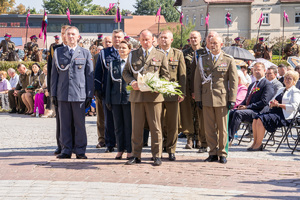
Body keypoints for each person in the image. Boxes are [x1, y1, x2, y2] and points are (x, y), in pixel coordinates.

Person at [122, 29, 169, 166]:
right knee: (136, 128)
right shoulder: (133, 55)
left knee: (155, 127)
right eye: (142, 40)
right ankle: (136, 155)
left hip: (154, 97)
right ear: (139, 40)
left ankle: (157, 155)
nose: (145, 42)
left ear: (153, 39)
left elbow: (166, 75)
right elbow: (126, 73)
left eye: (147, 39)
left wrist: (158, 86)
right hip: (137, 97)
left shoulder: (160, 54)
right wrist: (132, 82)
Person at [194, 35, 238, 164]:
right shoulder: (203, 59)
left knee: (222, 128)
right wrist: (198, 98)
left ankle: (222, 153)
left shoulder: (228, 59)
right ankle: (212, 152)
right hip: (207, 97)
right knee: (209, 128)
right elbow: (197, 80)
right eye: (210, 43)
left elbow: (234, 81)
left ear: (221, 44)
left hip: (222, 98)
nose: (213, 45)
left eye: (215, 43)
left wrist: (232, 98)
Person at [51, 26, 94, 159]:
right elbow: (54, 75)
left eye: (73, 34)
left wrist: (89, 94)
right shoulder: (58, 53)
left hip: (79, 94)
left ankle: (80, 150)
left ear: (78, 36)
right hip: (63, 94)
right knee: (64, 124)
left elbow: (89, 76)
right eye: (68, 34)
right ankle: (66, 149)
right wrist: (53, 94)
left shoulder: (85, 53)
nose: (70, 37)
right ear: (65, 36)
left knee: (79, 124)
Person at [249, 71, 300, 151]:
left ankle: (259, 144)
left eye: (289, 79)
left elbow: (294, 107)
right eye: (286, 78)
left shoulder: (295, 91)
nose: (287, 80)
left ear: (294, 81)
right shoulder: (281, 89)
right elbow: (271, 101)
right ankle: (255, 142)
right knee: (256, 118)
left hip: (285, 115)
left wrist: (279, 105)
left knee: (261, 119)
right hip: (274, 111)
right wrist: (272, 103)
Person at [95, 29, 125, 153]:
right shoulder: (104, 53)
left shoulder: (129, 53)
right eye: (115, 37)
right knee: (109, 120)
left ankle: (122, 143)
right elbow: (98, 72)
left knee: (124, 119)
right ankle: (110, 144)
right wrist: (97, 89)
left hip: (124, 92)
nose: (117, 39)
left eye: (119, 37)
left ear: (123, 38)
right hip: (109, 91)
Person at [228, 62, 274, 142]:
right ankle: (226, 136)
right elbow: (246, 99)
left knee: (238, 113)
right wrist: (241, 105)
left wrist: (247, 107)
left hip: (259, 111)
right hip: (249, 109)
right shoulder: (252, 84)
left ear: (264, 70)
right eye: (255, 70)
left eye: (259, 70)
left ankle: (229, 138)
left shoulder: (267, 84)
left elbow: (264, 102)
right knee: (232, 112)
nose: (256, 71)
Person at [159, 30, 186, 161]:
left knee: (172, 123)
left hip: (172, 92)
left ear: (171, 40)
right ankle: (160, 147)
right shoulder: (154, 53)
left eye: (166, 38)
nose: (163, 40)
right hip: (157, 93)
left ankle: (171, 149)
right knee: (158, 122)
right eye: (161, 38)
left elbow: (182, 75)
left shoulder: (178, 54)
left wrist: (182, 92)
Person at [106, 40, 132, 159]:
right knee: (118, 126)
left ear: (129, 50)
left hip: (128, 98)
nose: (121, 50)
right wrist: (108, 99)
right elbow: (108, 83)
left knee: (128, 125)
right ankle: (120, 149)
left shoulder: (131, 64)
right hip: (115, 98)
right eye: (120, 48)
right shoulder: (113, 63)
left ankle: (129, 150)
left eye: (124, 48)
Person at [181, 31, 207, 151]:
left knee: (200, 115)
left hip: (201, 88)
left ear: (200, 39)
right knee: (189, 114)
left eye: (195, 38)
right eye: (191, 38)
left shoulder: (205, 53)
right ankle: (190, 138)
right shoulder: (185, 53)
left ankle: (200, 139)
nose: (193, 40)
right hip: (187, 87)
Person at [47, 24, 70, 155]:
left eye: (66, 32)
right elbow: (51, 71)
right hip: (59, 89)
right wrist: (51, 89)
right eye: (62, 33)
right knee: (60, 119)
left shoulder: (78, 49)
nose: (64, 35)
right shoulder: (55, 49)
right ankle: (60, 145)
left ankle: (72, 144)